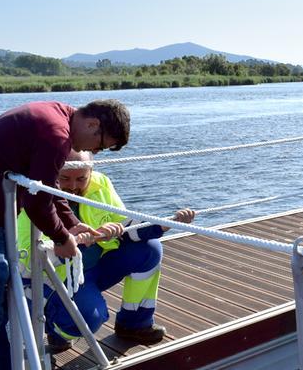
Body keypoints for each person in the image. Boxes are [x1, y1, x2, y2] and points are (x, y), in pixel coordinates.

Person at [0, 100, 130, 370]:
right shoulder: (55, 134)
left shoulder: (55, 114)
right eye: (99, 145)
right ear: (93, 124)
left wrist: (72, 223)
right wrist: (63, 239)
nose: (94, 152)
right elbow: (37, 202)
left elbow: (47, 189)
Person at [16, 150, 195, 352]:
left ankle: (133, 323)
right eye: (65, 178)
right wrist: (69, 241)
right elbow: (27, 263)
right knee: (89, 317)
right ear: (53, 174)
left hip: (97, 267)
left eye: (81, 178)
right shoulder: (35, 198)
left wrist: (162, 225)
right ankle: (56, 329)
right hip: (59, 280)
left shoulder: (100, 184)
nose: (73, 187)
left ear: (91, 173)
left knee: (149, 249)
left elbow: (125, 224)